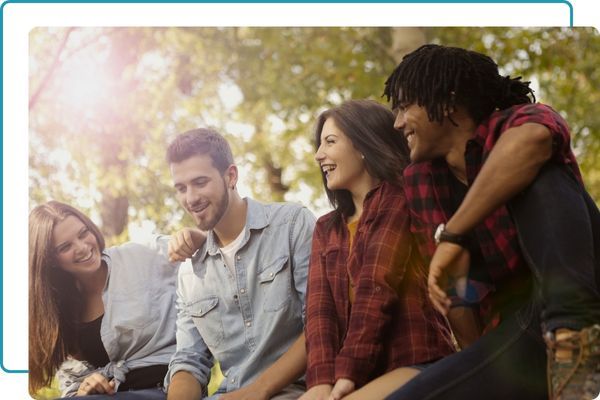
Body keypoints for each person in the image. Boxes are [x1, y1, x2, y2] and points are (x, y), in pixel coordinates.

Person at [381, 44, 600, 399]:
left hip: (585, 295)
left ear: (448, 102)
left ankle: (574, 333)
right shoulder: (422, 180)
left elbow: (533, 140)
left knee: (542, 173)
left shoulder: (520, 122)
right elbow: (455, 294)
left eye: (405, 106)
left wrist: (454, 235)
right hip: (527, 329)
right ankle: (567, 353)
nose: (397, 122)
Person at [300, 100, 454, 400]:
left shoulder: (398, 199)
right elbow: (320, 313)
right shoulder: (326, 228)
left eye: (330, 142)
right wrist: (319, 382)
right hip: (356, 376)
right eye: (319, 146)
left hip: (415, 361)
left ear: (363, 144)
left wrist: (347, 374)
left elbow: (376, 286)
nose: (319, 155)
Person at [163, 128, 316, 400]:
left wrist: (255, 392)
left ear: (230, 176)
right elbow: (188, 360)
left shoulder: (291, 225)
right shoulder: (190, 272)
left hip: (297, 391)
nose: (191, 198)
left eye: (200, 182)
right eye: (181, 188)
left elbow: (320, 326)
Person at [29, 201, 179, 399]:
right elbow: (72, 385)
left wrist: (192, 237)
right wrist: (84, 388)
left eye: (83, 233)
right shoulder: (58, 311)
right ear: (50, 260)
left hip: (166, 385)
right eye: (65, 246)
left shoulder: (140, 255)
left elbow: (206, 251)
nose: (82, 247)